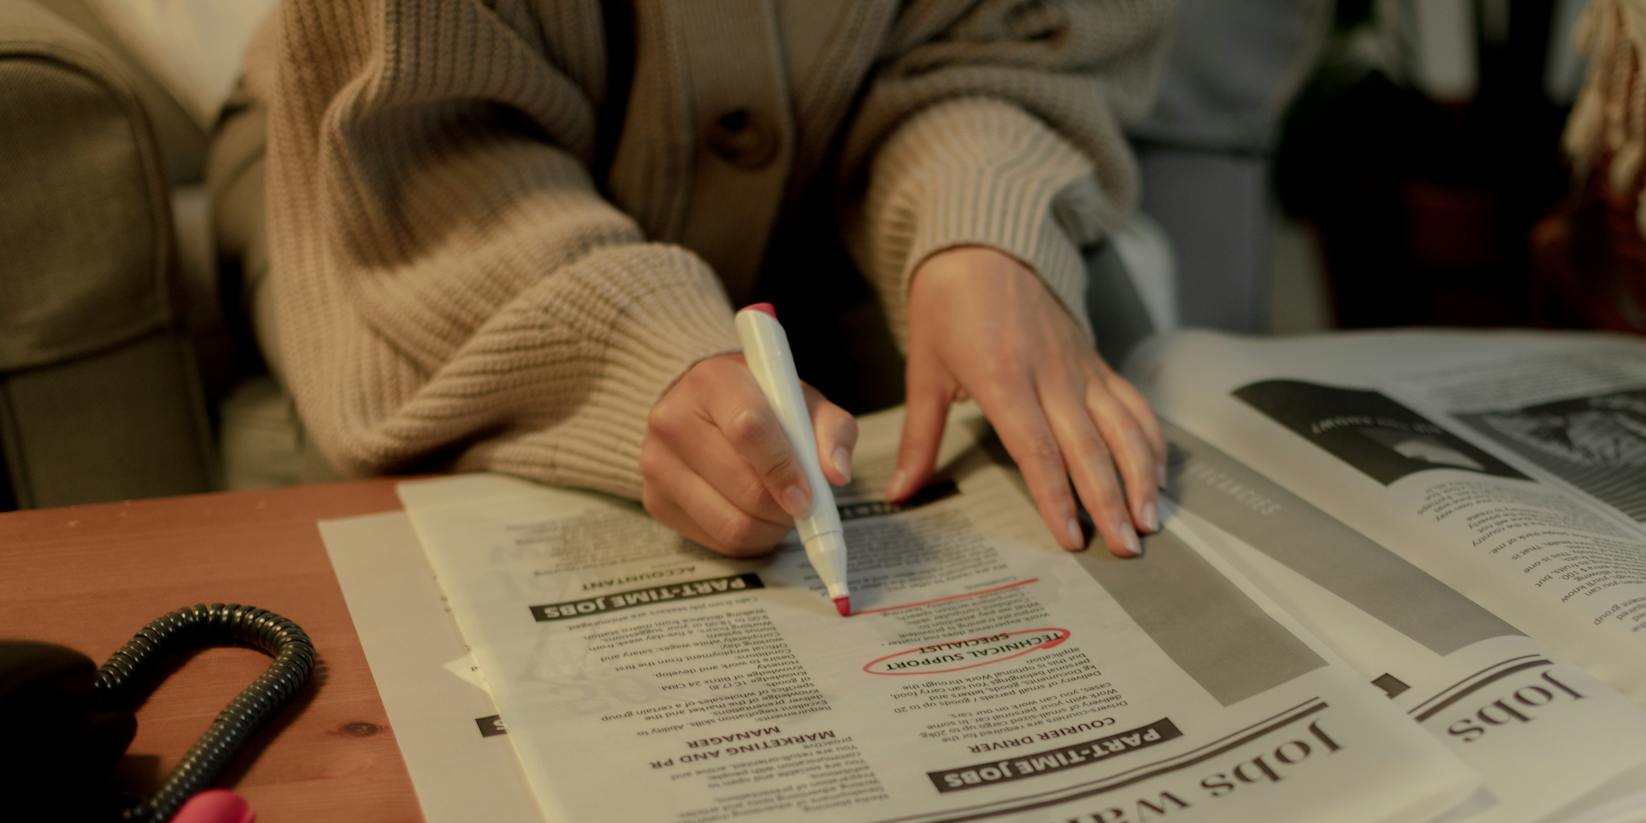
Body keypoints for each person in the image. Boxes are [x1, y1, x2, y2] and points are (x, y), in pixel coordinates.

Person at [257, 0, 1173, 558]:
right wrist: (633, 347)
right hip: (393, 194)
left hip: (854, 190)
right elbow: (423, 158)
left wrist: (979, 224)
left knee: (1076, 416)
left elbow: (1023, 32)